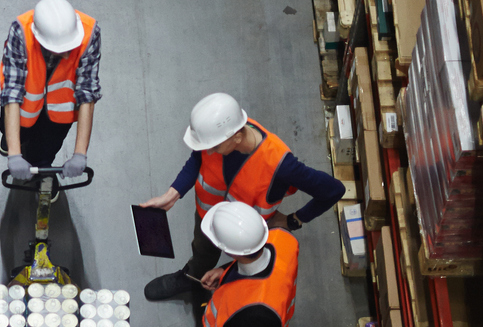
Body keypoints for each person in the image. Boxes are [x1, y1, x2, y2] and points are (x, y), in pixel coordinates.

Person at [137, 92, 341, 303]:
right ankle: (193, 278)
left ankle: (228, 287)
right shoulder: (220, 134)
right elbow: (197, 158)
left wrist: (294, 220)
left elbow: (332, 190)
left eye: (213, 147)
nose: (209, 151)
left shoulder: (281, 165)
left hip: (245, 233)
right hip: (207, 218)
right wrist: (172, 194)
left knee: (242, 276)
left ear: (236, 137)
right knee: (202, 253)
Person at [0, 0, 100, 182]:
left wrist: (80, 154)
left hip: (60, 109)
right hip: (24, 105)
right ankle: (11, 140)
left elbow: (87, 93)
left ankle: (40, 172)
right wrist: (14, 154)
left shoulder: (89, 33)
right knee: (14, 130)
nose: (66, 53)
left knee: (45, 150)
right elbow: (12, 92)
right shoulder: (21, 31)